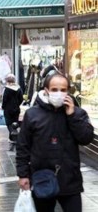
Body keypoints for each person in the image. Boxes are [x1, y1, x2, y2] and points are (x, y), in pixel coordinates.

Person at [16, 73, 94, 212]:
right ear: (46, 90)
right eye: (54, 89)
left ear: (68, 91)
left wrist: (72, 116)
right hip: (42, 178)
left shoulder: (78, 113)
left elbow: (86, 138)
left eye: (63, 90)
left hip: (70, 179)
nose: (59, 93)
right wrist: (23, 175)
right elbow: (23, 146)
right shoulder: (32, 114)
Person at [1, 74, 23, 151]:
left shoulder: (6, 89)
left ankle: (14, 135)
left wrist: (3, 107)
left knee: (9, 124)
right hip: (16, 109)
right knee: (14, 123)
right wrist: (17, 105)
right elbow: (21, 99)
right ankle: (12, 141)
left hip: (8, 109)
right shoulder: (18, 88)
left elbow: (4, 99)